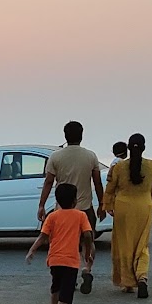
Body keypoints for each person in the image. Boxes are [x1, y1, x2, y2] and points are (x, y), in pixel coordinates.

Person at [37, 121, 106, 294]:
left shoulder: (56, 157)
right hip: (84, 208)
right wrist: (102, 204)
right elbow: (97, 182)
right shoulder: (90, 156)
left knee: (65, 244)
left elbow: (48, 182)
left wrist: (41, 205)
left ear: (65, 136)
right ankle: (87, 269)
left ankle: (69, 277)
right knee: (87, 241)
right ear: (81, 136)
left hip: (62, 210)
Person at [25, 182, 93, 304]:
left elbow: (43, 236)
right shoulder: (80, 216)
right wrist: (87, 252)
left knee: (55, 287)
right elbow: (88, 235)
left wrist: (32, 250)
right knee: (66, 293)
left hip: (54, 259)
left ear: (57, 200)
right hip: (70, 260)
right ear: (75, 200)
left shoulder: (52, 216)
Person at [104, 133, 152, 298]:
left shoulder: (119, 167)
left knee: (124, 245)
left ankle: (127, 283)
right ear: (144, 148)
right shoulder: (151, 166)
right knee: (142, 246)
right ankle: (142, 276)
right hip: (143, 208)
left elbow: (110, 189)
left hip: (123, 208)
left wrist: (108, 206)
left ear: (128, 148)